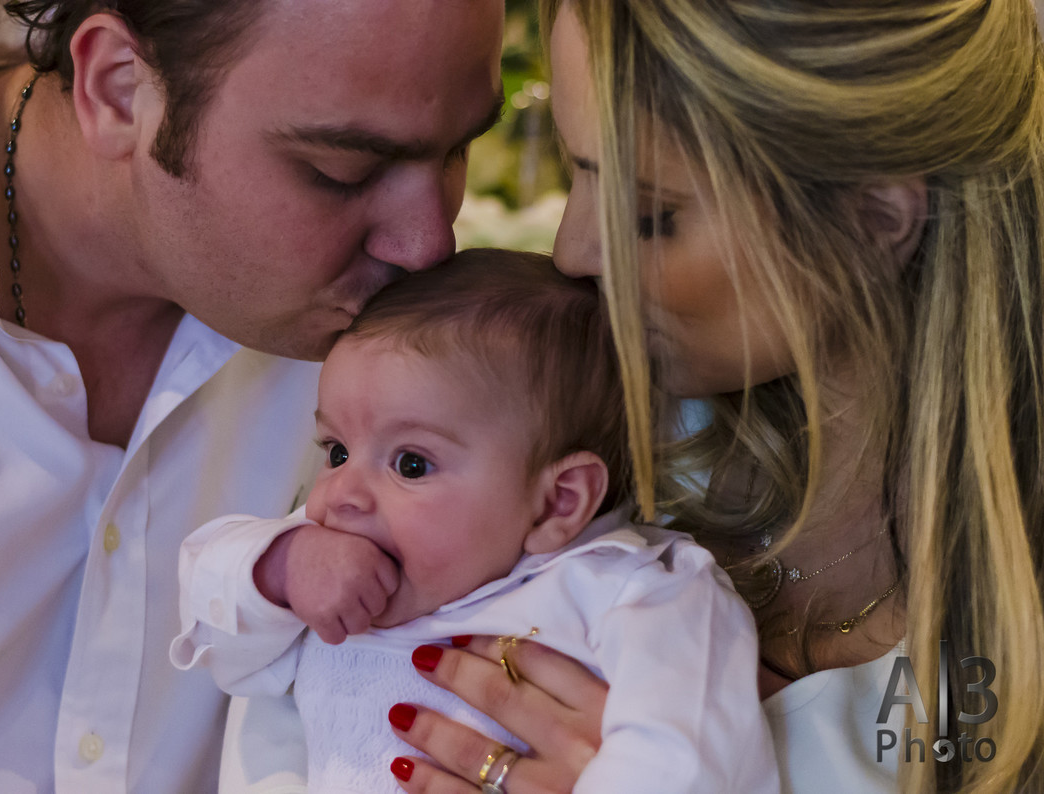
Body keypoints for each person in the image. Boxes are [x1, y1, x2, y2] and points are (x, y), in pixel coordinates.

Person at [374, 2, 1044, 793]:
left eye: (649, 215)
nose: (571, 250)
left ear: (874, 220)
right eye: (574, 170)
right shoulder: (582, 453)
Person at [0, 0, 504, 789]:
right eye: (343, 173)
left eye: (460, 149)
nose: (429, 244)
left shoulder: (456, 344)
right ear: (118, 87)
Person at [171, 248, 778, 793]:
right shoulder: (329, 570)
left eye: (411, 464)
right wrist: (279, 569)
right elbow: (220, 632)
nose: (343, 493)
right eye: (336, 451)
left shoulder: (639, 595)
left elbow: (684, 760)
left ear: (559, 502)